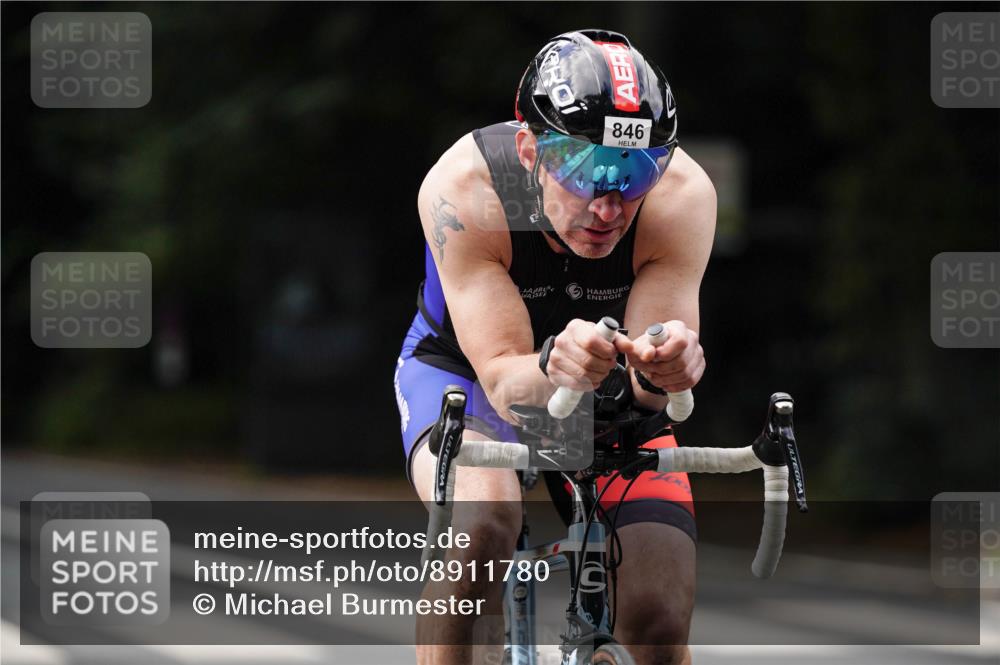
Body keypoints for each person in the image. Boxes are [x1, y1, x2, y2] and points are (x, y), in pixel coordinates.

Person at [394, 29, 716, 665]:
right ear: (529, 149)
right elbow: (508, 384)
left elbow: (652, 387)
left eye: (632, 172)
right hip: (469, 376)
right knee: (481, 523)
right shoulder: (468, 189)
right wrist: (550, 364)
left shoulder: (679, 196)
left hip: (604, 387)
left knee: (659, 615)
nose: (607, 203)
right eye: (584, 168)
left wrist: (669, 365)